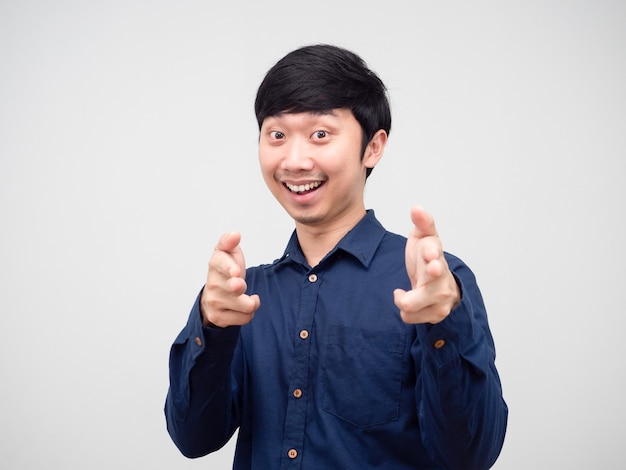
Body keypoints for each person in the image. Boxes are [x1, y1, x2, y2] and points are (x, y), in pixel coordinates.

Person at [165, 44, 508, 469]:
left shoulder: (432, 284)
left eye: (320, 134)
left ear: (373, 147)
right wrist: (212, 327)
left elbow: (471, 455)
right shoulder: (241, 295)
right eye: (277, 135)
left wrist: (444, 322)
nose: (294, 160)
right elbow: (193, 438)